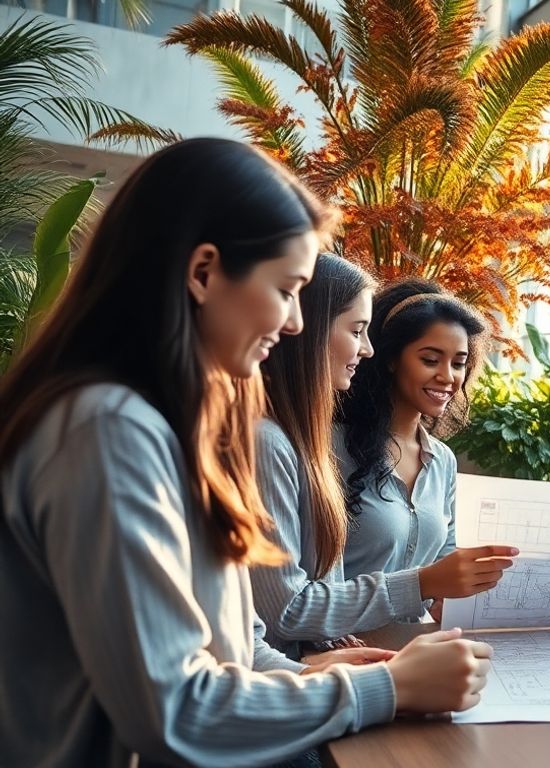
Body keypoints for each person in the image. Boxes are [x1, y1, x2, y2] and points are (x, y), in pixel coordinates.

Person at [0, 139, 492, 767]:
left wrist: (311, 676)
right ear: (203, 273)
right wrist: (386, 687)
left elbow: (234, 645)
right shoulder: (105, 430)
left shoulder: (176, 429)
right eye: (286, 290)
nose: (293, 325)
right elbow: (175, 712)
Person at [252, 255, 456, 658]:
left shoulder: (305, 444)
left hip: (327, 664)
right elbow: (285, 611)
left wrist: (330, 638)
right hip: (291, 684)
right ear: (307, 330)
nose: (367, 350)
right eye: (357, 331)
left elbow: (320, 589)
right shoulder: (271, 443)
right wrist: (420, 584)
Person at [336, 279, 516, 624]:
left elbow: (443, 566)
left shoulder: (442, 461)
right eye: (430, 359)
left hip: (415, 648)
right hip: (339, 650)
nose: (447, 377)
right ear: (390, 358)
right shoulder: (332, 447)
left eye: (459, 363)